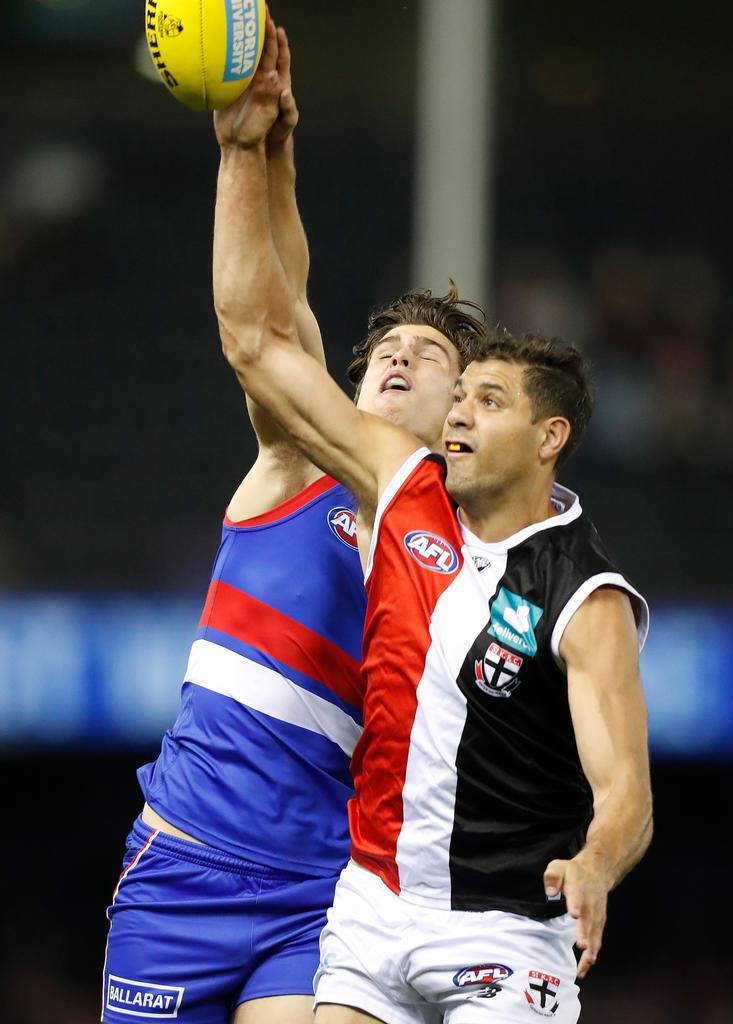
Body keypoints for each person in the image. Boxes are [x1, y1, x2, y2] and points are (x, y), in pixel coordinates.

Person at [212, 56, 654, 1024]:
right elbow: (260, 341)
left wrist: (596, 861)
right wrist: (254, 152)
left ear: (551, 439)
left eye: (485, 400)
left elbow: (624, 789)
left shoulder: (586, 595)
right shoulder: (403, 494)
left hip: (500, 931)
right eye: (457, 398)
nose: (456, 413)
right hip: (370, 915)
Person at [101, 19, 486, 1024]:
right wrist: (258, 145)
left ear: (463, 415)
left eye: (428, 355)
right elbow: (267, 318)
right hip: (184, 864)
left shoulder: (464, 556)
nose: (397, 356)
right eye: (385, 346)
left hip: (317, 890)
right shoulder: (295, 462)